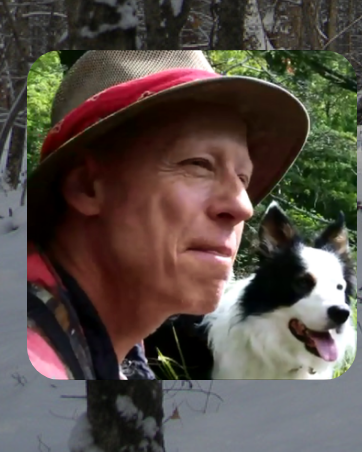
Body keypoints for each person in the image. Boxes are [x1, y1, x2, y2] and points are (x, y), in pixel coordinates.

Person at [26, 51, 308, 379]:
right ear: (87, 187)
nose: (243, 207)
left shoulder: (108, 350)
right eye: (199, 164)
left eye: (243, 178)